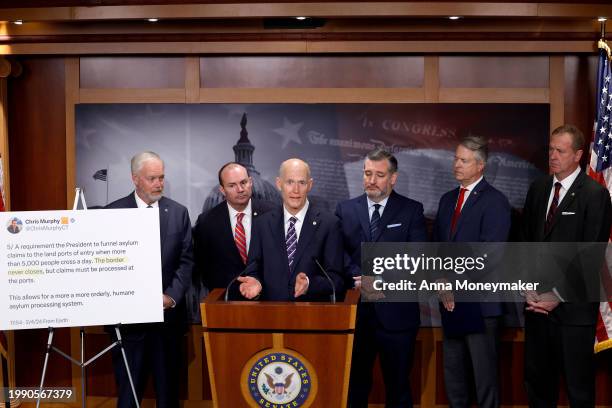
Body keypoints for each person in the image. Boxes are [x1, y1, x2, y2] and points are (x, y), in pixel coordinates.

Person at [520, 125, 612, 407]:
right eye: (551, 149)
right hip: (536, 310)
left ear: (579, 155)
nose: (553, 155)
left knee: (578, 390)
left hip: (573, 313)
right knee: (538, 388)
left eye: (560, 150)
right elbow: (525, 242)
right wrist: (527, 287)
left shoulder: (594, 194)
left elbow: (590, 254)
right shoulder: (538, 188)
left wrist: (556, 295)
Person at [335, 148, 427, 407]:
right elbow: (337, 253)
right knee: (354, 388)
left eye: (378, 175)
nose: (371, 180)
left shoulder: (411, 210)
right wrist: (359, 277)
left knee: (398, 388)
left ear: (393, 178)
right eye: (367, 174)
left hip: (398, 316)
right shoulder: (346, 209)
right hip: (357, 315)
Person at [106, 151, 194, 408]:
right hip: (128, 324)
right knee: (129, 394)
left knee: (168, 394)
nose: (159, 183)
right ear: (135, 179)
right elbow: (107, 265)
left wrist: (171, 297)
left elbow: (186, 261)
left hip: (167, 323)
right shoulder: (113, 213)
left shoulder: (178, 212)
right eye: (152, 178)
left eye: (162, 177)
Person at [433, 136, 511, 408]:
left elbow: (490, 254)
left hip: (480, 305)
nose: (456, 164)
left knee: (484, 381)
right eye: (455, 158)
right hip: (450, 304)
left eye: (463, 160)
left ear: (480, 166)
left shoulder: (495, 202)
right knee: (454, 379)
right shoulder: (446, 200)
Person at [238, 158, 344, 301]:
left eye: (301, 183)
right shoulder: (262, 224)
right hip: (271, 316)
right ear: (279, 183)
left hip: (312, 317)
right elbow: (254, 268)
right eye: (289, 182)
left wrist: (309, 284)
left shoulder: (329, 224)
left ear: (310, 185)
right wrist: (255, 282)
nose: (296, 190)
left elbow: (337, 279)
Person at [192, 162, 275, 298]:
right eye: (232, 185)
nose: (240, 189)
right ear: (222, 190)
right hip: (226, 303)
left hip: (269, 300)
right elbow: (203, 268)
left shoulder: (273, 214)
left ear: (251, 182)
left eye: (243, 182)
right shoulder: (207, 222)